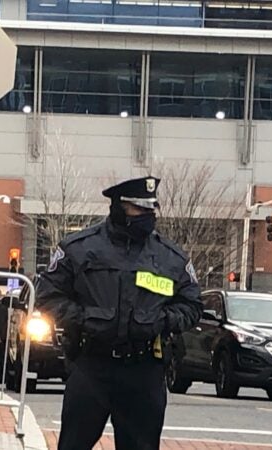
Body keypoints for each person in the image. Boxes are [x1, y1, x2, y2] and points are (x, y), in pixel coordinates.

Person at [35, 176, 203, 450]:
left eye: (151, 210)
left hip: (144, 368)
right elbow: (48, 295)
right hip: (93, 365)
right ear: (118, 207)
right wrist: (85, 319)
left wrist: (162, 321)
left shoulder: (169, 257)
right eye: (139, 209)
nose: (146, 216)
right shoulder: (80, 248)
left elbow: (192, 305)